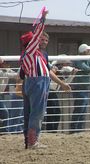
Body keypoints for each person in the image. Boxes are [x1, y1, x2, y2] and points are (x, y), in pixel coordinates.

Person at [19, 9, 71, 149]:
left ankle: (29, 140)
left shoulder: (28, 54)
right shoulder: (32, 52)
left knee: (31, 112)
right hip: (38, 82)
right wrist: (42, 18)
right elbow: (37, 33)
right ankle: (32, 141)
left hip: (32, 82)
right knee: (37, 112)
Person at [46, 55, 78, 132]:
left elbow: (64, 84)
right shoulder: (53, 69)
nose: (68, 65)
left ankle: (53, 131)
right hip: (49, 91)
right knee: (54, 112)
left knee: (55, 112)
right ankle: (51, 131)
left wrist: (72, 75)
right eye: (67, 63)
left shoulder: (58, 71)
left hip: (52, 92)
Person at [0, 58, 18, 133]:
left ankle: (4, 131)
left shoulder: (6, 70)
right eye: (6, 63)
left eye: (8, 63)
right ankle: (4, 131)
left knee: (4, 112)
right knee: (5, 112)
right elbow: (14, 75)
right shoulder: (1, 72)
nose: (8, 65)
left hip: (1, 95)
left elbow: (16, 75)